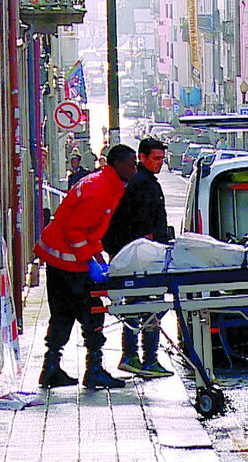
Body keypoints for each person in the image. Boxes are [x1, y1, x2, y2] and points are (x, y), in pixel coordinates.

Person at [34, 144, 139, 390]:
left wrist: (98, 258)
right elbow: (76, 231)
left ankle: (51, 368)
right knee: (92, 311)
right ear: (118, 164)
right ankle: (93, 369)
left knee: (62, 313)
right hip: (69, 260)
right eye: (131, 164)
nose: (135, 169)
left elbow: (89, 230)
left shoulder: (104, 183)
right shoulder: (100, 189)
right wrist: (90, 262)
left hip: (60, 256)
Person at [102, 137, 174, 378]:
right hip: (140, 257)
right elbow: (134, 222)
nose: (160, 163)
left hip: (142, 254)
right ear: (142, 158)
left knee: (143, 305)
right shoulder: (140, 184)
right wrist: (147, 240)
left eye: (162, 159)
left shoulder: (145, 182)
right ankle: (143, 358)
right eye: (156, 159)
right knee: (146, 304)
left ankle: (137, 356)